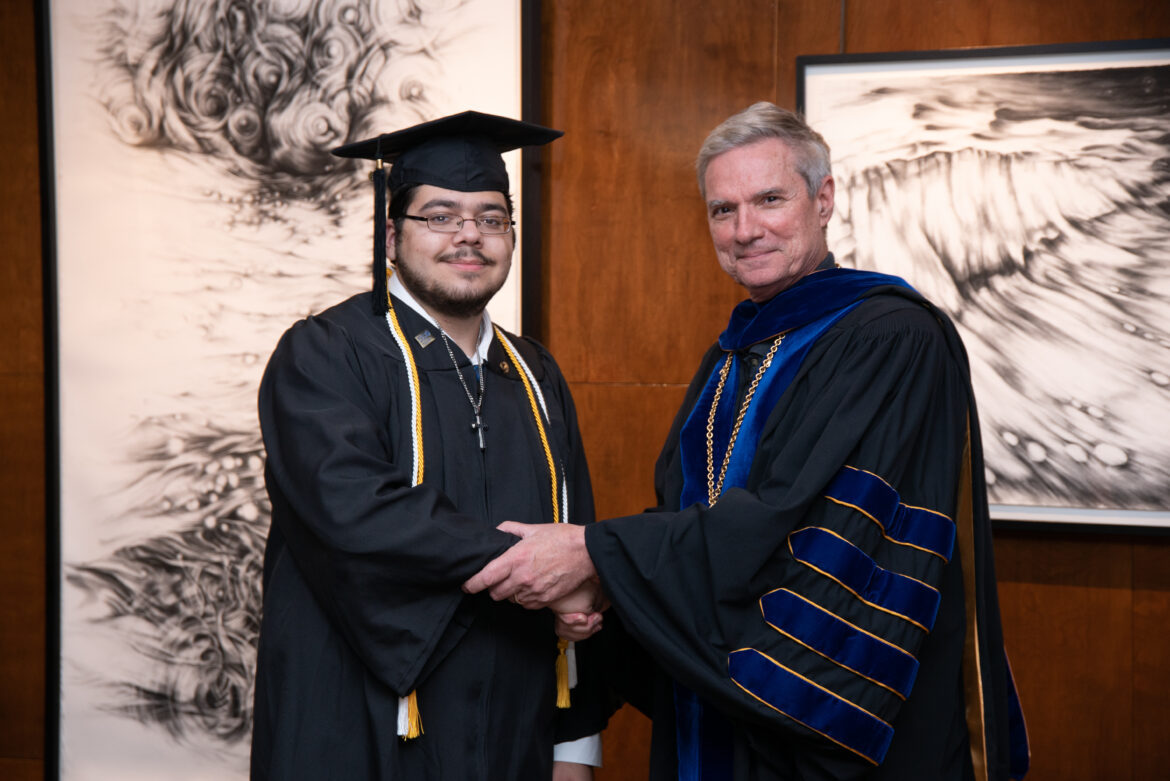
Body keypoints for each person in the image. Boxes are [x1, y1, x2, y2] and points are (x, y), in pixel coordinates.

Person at [464, 102, 1030, 780]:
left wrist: (597, 556)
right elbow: (696, 524)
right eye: (722, 209)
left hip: (830, 733)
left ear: (823, 200)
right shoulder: (734, 353)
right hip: (725, 719)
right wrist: (607, 593)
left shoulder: (891, 338)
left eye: (769, 199)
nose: (745, 229)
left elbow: (795, 529)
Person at [251, 111, 608, 780]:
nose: (468, 235)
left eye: (491, 217)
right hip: (360, 731)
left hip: (515, 733)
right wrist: (542, 569)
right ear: (391, 234)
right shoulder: (326, 354)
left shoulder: (536, 374)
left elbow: (575, 542)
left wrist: (573, 747)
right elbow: (357, 511)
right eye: (439, 215)